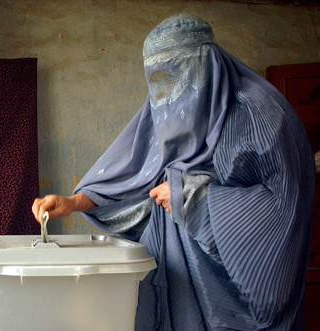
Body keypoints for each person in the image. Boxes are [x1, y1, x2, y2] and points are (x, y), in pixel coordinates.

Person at [32, 14, 315, 330]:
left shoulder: (264, 114)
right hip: (178, 278)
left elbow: (285, 207)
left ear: (209, 62)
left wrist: (192, 198)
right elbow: (137, 173)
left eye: (175, 73)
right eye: (156, 79)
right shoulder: (163, 108)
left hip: (236, 290)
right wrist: (73, 202)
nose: (166, 93)